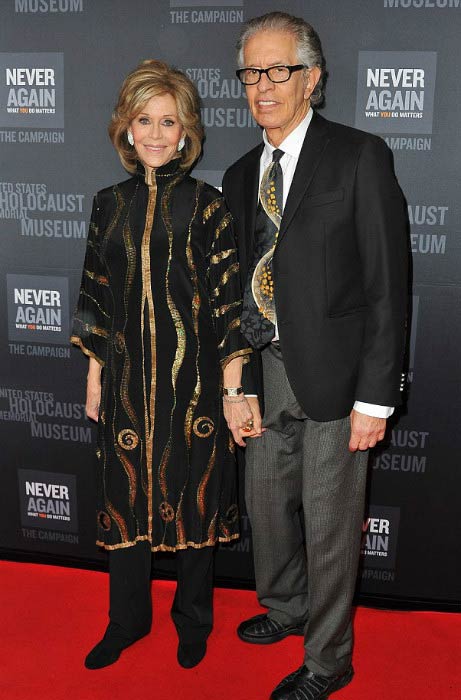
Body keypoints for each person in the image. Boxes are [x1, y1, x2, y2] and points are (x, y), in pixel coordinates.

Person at [222, 12, 408, 700]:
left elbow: (388, 283)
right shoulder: (242, 174)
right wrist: (234, 380)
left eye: (279, 70)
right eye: (251, 73)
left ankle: (328, 661)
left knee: (330, 528)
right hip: (264, 370)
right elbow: (235, 286)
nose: (262, 86)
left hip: (337, 376)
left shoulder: (358, 156)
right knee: (267, 508)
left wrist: (375, 396)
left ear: (312, 79)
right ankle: (285, 607)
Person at [71, 59, 252, 671]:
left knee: (195, 498)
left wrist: (232, 389)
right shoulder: (107, 204)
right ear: (125, 127)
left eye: (167, 121)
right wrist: (95, 375)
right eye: (143, 119)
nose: (154, 133)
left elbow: (231, 303)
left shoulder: (207, 205)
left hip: (195, 384)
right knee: (124, 498)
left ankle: (193, 621)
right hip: (124, 383)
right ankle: (126, 621)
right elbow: (95, 293)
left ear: (186, 133)